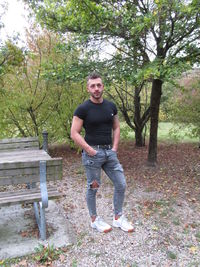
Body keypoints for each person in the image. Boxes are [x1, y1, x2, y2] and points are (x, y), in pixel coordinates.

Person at [70, 72, 134, 233]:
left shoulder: (111, 106)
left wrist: (115, 148)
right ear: (88, 89)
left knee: (121, 184)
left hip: (109, 153)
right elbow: (74, 133)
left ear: (103, 86)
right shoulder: (83, 109)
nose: (96, 88)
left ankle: (118, 218)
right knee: (93, 187)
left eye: (99, 85)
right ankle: (94, 220)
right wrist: (90, 150)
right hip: (92, 156)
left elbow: (116, 127)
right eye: (93, 86)